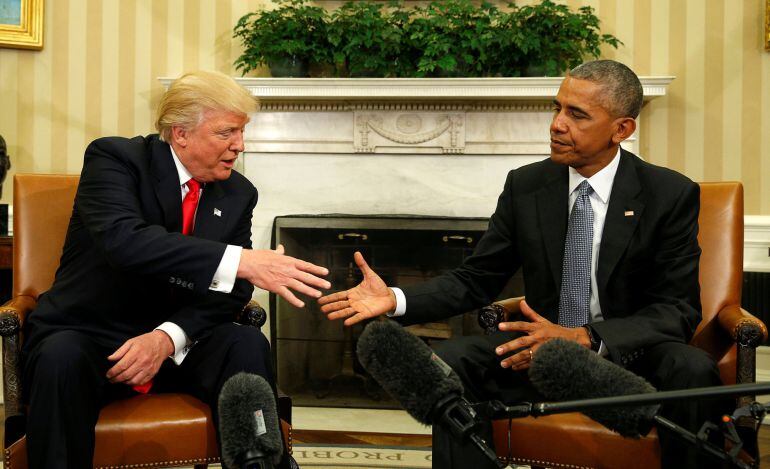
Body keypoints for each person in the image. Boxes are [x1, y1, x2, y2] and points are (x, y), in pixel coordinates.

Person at [319, 60, 724, 469]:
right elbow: (477, 278)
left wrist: (586, 336)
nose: (556, 124)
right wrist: (396, 298)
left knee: (691, 368)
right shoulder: (527, 185)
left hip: (627, 356)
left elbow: (676, 310)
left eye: (577, 114)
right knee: (454, 363)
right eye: (557, 107)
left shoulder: (667, 194)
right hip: (536, 352)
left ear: (621, 130)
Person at [21, 70, 330, 469]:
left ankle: (262, 463)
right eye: (227, 132)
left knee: (247, 343)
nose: (240, 146)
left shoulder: (237, 192)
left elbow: (232, 292)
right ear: (180, 133)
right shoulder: (115, 160)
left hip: (178, 346)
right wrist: (242, 261)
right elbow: (126, 242)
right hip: (91, 336)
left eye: (241, 132)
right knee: (60, 355)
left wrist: (168, 338)